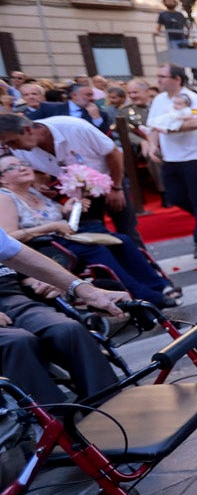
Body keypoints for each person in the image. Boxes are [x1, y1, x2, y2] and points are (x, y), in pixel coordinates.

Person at [0, 155, 176, 308]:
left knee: (122, 240)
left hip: (66, 235)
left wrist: (67, 209)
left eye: (22, 163)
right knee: (97, 250)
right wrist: (51, 227)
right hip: (46, 245)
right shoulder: (5, 198)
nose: (22, 167)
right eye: (12, 167)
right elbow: (8, 238)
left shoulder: (34, 191)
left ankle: (159, 285)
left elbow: (49, 216)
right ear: (2, 179)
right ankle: (145, 296)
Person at [0, 225, 127, 410]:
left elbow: (14, 252)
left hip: (9, 294)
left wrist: (86, 291)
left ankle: (108, 406)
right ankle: (52, 423)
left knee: (68, 329)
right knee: (17, 342)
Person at [0, 113, 143, 248]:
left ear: (27, 129)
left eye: (13, 142)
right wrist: (40, 184)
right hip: (77, 194)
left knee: (127, 230)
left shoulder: (74, 127)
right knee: (91, 234)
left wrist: (116, 187)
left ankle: (145, 266)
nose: (14, 148)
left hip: (109, 180)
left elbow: (113, 154)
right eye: (8, 145)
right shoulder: (20, 150)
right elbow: (37, 171)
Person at [148, 65, 197, 259]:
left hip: (195, 157)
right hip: (171, 158)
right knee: (175, 197)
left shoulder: (192, 98)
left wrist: (172, 128)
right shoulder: (158, 100)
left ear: (177, 79)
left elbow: (196, 122)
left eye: (162, 76)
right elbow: (153, 127)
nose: (158, 80)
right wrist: (152, 146)